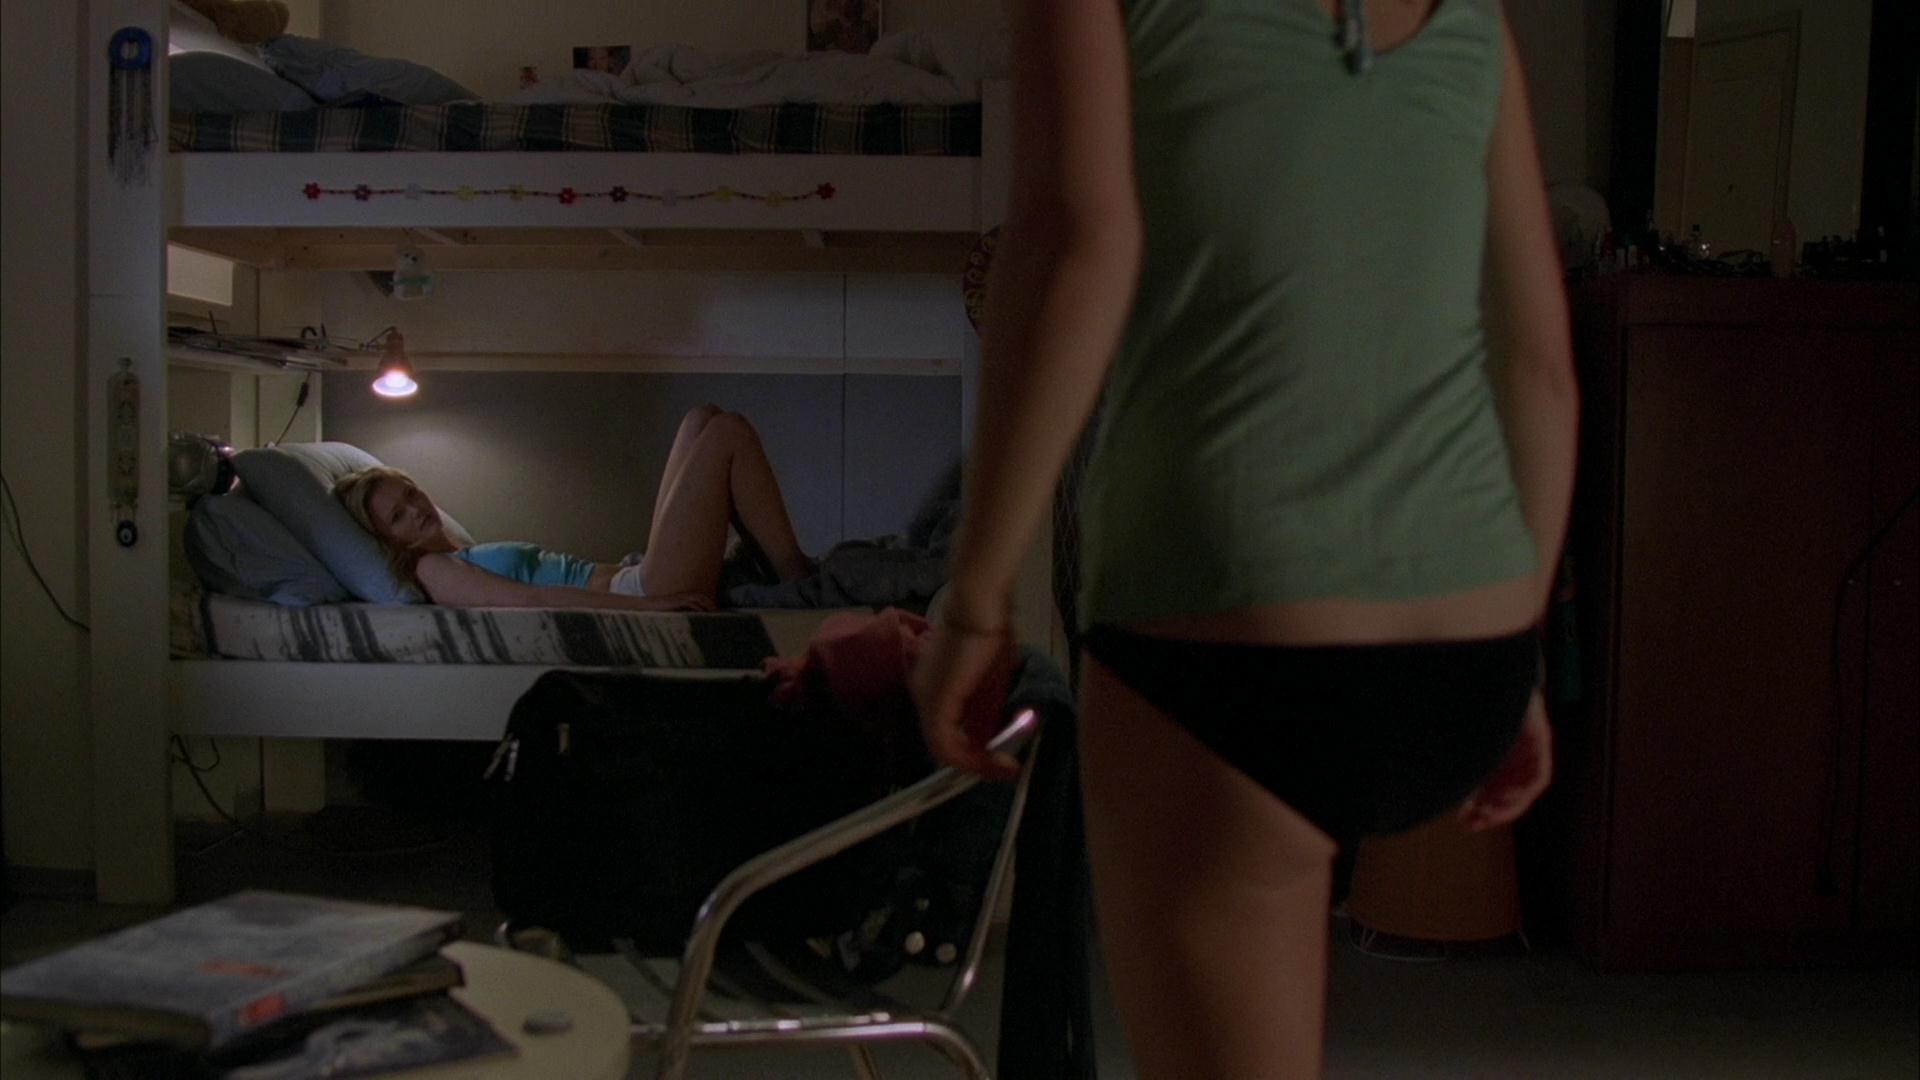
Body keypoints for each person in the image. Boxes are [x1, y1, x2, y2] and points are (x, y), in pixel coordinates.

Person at [909, 1, 1579, 1077]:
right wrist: (1521, 655)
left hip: (1230, 620)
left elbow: (1077, 244)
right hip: (1473, 644)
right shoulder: (1474, 16)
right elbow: (1539, 367)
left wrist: (976, 601)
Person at [334, 405, 815, 612]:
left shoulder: (455, 548)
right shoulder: (431, 569)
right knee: (727, 432)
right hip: (641, 591)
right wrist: (646, 607)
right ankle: (799, 578)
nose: (414, 510)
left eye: (410, 494)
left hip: (635, 575)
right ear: (387, 539)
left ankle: (786, 569)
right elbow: (533, 602)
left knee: (701, 418)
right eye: (397, 516)